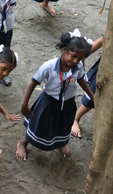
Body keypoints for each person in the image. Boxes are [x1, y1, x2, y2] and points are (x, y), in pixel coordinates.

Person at [17, 31, 94, 160]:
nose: (76, 61)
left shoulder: (78, 66)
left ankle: (61, 143)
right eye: (73, 56)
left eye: (80, 58)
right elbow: (33, 83)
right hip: (48, 102)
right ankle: (23, 142)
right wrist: (24, 105)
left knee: (63, 125)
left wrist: (92, 96)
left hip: (68, 102)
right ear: (64, 50)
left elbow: (81, 79)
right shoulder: (49, 66)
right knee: (39, 125)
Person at [72, 36, 103, 138]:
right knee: (95, 94)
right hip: (107, 70)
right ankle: (76, 118)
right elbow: (103, 40)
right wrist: (82, 57)